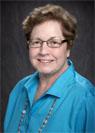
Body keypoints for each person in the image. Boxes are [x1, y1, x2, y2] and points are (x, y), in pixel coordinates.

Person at [4, 4, 95, 133]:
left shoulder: (86, 99)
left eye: (54, 42)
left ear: (68, 47)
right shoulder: (19, 89)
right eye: (36, 42)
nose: (43, 51)